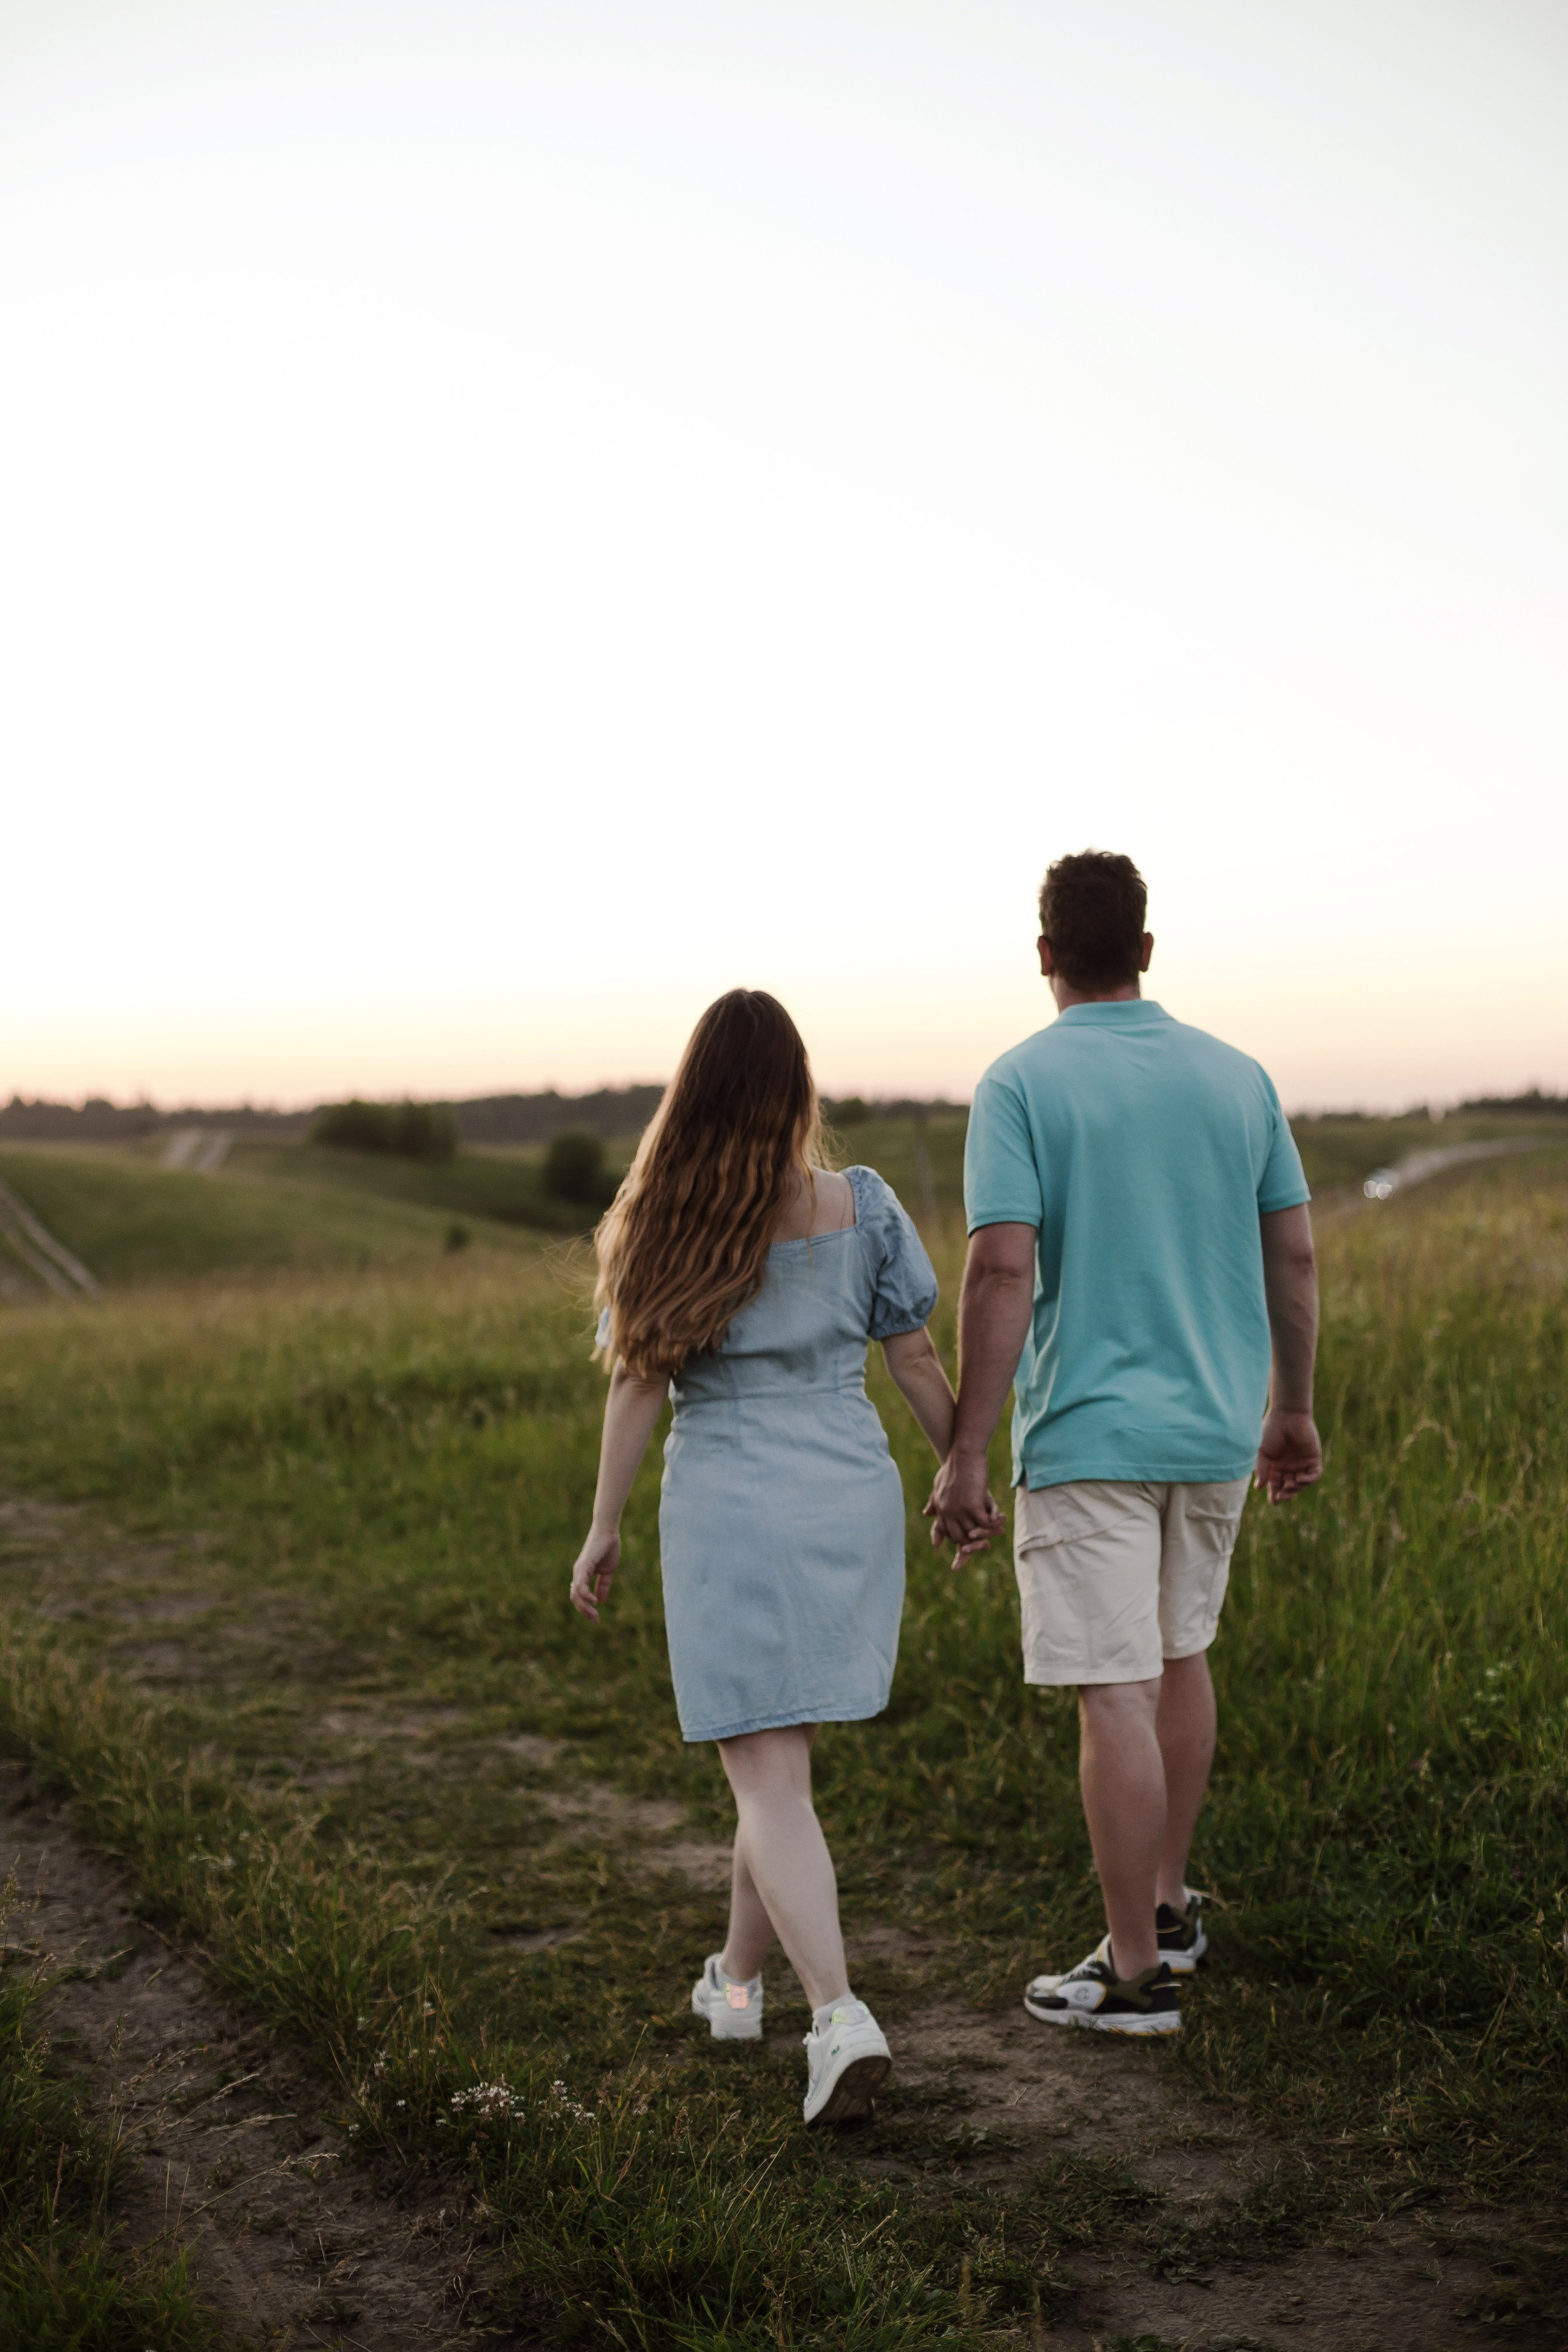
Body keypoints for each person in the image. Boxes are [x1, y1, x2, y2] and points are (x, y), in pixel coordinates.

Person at [570, 990, 999, 2121]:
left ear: (693, 1091)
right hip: (845, 1496)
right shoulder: (861, 1206)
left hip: (732, 1505)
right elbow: (912, 1362)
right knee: (778, 1774)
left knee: (766, 1777)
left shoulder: (664, 1215)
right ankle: (736, 1982)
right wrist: (963, 1469)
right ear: (797, 1090)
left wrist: (604, 1525)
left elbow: (638, 1385)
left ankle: (838, 2014)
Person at [927, 851, 1321, 2035]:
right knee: (1179, 1653)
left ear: (1044, 954)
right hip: (1212, 1429)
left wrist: (966, 1451)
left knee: (1114, 1687)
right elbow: (1294, 1255)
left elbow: (1003, 1265)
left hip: (1089, 1431)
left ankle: (1136, 1973)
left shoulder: (1019, 1084)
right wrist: (1290, 1409)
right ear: (1146, 950)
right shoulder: (1237, 1077)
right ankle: (1168, 1904)